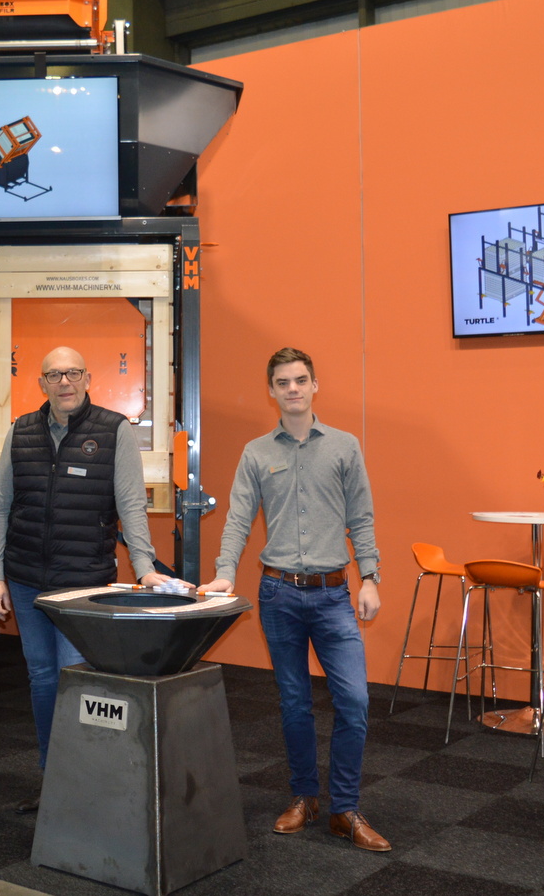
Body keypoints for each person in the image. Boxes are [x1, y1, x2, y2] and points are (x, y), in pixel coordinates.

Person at [202, 347, 390, 852]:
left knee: (355, 701)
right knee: (294, 704)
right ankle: (304, 798)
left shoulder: (345, 447)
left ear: (314, 385)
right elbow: (238, 518)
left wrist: (370, 577)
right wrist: (224, 573)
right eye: (283, 382)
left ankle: (344, 808)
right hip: (278, 593)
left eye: (300, 380)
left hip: (333, 595)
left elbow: (362, 518)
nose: (292, 389)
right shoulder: (256, 452)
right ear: (271, 391)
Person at [0, 346, 163, 813]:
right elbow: (0, 507)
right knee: (43, 680)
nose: (64, 382)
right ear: (41, 383)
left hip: (83, 585)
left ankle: (86, 786)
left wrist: (144, 566)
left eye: (72, 373)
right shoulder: (21, 431)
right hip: (26, 580)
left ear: (88, 378)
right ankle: (54, 781)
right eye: (54, 375)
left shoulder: (114, 430)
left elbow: (131, 506)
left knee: (77, 682)